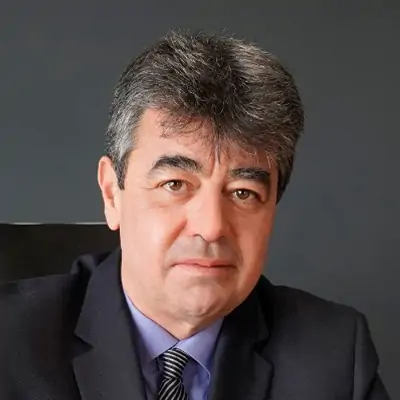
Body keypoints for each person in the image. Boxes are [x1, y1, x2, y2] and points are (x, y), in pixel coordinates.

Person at [2, 30, 390, 400]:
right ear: (111, 193)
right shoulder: (11, 344)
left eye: (243, 193)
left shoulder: (333, 356)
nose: (211, 227)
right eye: (175, 184)